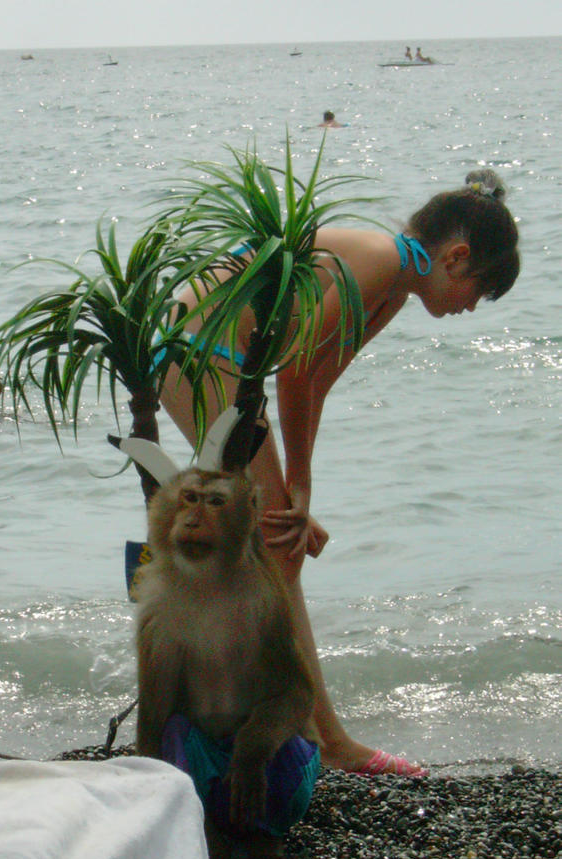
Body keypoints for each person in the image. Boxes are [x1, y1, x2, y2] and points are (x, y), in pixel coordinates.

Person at [159, 169, 520, 776]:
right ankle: (323, 739)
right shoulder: (379, 260)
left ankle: (287, 725)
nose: (469, 308)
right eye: (478, 292)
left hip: (219, 358)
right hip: (199, 349)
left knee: (280, 542)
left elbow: (318, 379)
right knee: (279, 544)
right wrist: (296, 488)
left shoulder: (393, 287)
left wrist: (300, 490)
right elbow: (295, 370)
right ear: (457, 259)